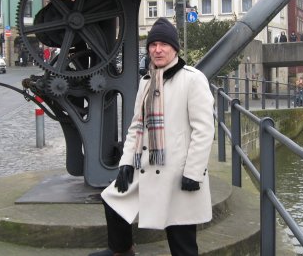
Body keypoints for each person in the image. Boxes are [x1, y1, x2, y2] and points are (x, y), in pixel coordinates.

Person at [92, 17, 215, 256]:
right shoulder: (146, 82)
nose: (157, 50)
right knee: (112, 200)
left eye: (164, 44)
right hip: (146, 167)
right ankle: (122, 250)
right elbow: (136, 125)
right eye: (153, 44)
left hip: (177, 172)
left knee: (181, 238)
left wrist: (193, 173)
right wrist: (126, 163)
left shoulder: (192, 79)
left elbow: (204, 130)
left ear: (175, 48)